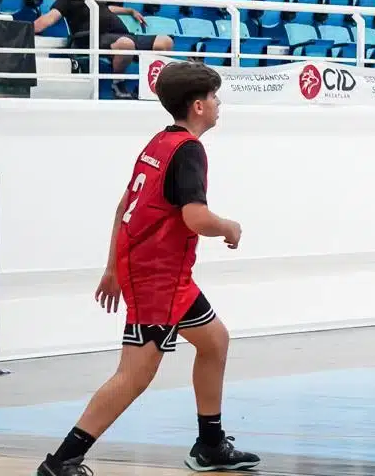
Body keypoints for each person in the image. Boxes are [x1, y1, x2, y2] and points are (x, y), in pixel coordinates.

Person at [36, 62, 257, 476]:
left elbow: (125, 207)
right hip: (158, 278)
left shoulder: (160, 142)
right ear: (197, 106)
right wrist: (229, 226)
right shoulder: (189, 150)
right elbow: (195, 217)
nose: (218, 103)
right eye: (213, 97)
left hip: (166, 275)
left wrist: (113, 267)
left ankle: (210, 444)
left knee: (214, 341)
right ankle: (61, 461)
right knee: (134, 374)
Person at [33, 0, 173, 95]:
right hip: (93, 37)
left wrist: (129, 11)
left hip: (123, 35)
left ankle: (153, 88)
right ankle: (118, 83)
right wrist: (27, 29)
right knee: (126, 44)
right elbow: (49, 18)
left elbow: (109, 10)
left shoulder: (99, 0)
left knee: (165, 42)